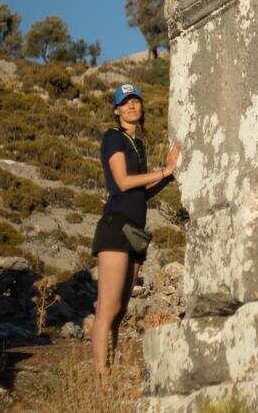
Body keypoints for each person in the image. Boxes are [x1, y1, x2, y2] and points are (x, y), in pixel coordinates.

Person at [90, 82, 180, 379]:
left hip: (136, 234)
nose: (132, 106)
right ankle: (101, 381)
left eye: (136, 101)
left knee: (121, 311)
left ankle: (110, 373)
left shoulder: (137, 145)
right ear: (116, 110)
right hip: (116, 228)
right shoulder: (113, 138)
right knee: (108, 308)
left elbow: (141, 193)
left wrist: (168, 174)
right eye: (125, 102)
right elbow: (124, 182)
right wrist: (163, 171)